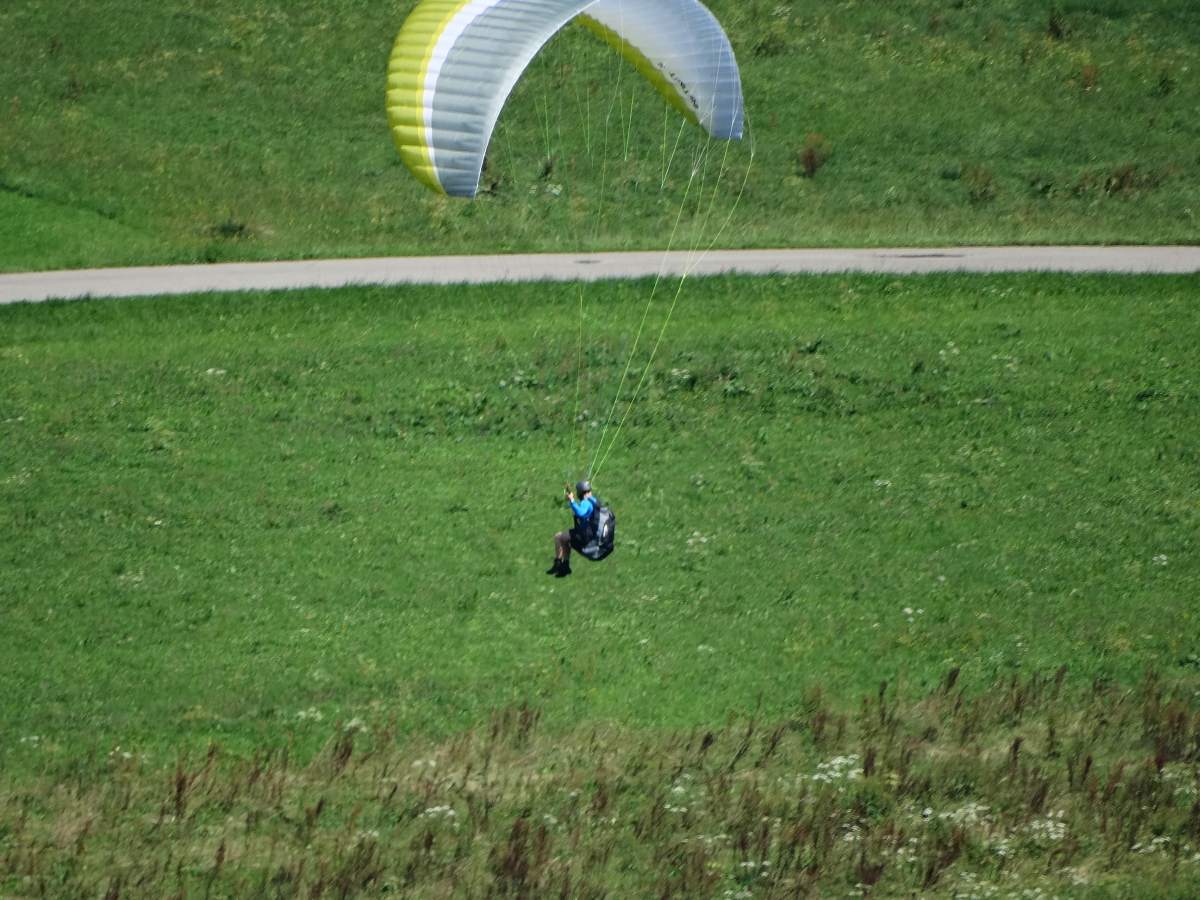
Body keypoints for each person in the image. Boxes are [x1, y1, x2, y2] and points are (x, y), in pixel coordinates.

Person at [547, 480, 596, 578]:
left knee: (558, 537)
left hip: (584, 535)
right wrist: (571, 501)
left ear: (580, 493)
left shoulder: (586, 502)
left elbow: (581, 512)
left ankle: (558, 564)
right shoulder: (593, 500)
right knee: (566, 540)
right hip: (590, 534)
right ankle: (565, 567)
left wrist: (572, 501)